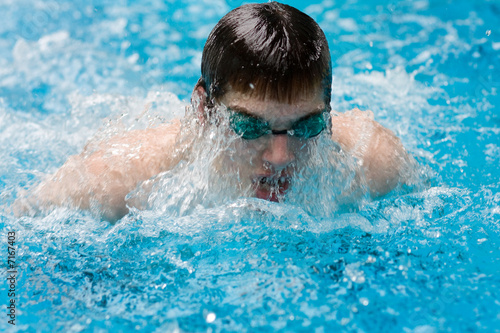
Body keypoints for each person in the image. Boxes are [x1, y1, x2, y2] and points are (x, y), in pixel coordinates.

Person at [15, 2, 413, 221]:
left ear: (328, 113)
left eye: (306, 126)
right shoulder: (121, 181)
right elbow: (17, 228)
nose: (280, 156)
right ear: (204, 110)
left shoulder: (374, 160)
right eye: (247, 125)